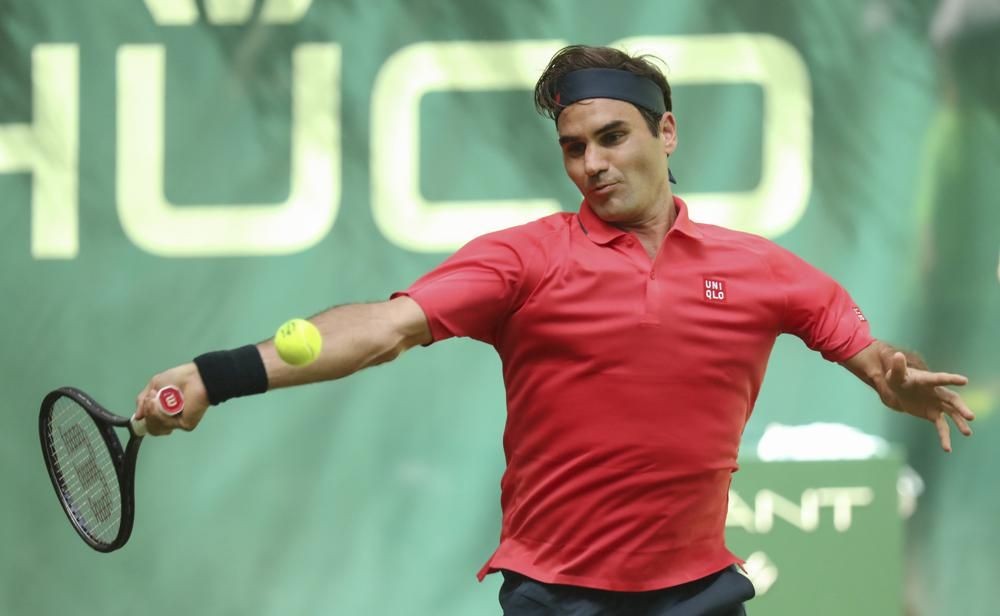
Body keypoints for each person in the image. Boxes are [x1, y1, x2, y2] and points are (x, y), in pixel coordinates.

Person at [135, 45, 976, 615]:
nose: (593, 164)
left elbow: (874, 359)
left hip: (698, 592)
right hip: (554, 595)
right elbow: (381, 329)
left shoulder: (761, 271)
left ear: (666, 132)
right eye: (574, 147)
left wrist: (891, 376)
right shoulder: (525, 261)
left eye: (612, 137)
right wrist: (215, 375)